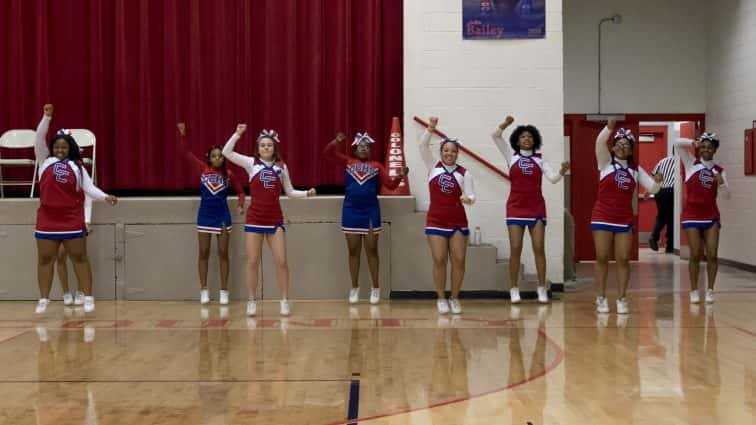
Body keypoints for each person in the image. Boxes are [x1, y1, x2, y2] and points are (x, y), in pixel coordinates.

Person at [222, 124, 316, 316]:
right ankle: (251, 300)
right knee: (253, 261)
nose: (266, 148)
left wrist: (307, 193)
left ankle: (284, 300)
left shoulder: (282, 167)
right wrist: (237, 134)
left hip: (275, 219)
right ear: (258, 148)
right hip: (255, 219)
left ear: (275, 148)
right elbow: (226, 152)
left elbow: (289, 192)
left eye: (269, 145)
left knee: (281, 261)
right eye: (262, 145)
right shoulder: (251, 164)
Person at [33, 104, 117, 314]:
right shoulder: (44, 160)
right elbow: (38, 138)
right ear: (52, 148)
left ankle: (88, 296)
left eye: (64, 147)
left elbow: (89, 188)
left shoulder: (77, 167)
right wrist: (47, 117)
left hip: (71, 217)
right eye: (57, 147)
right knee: (45, 259)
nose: (60, 150)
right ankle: (44, 298)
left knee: (79, 257)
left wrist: (105, 197)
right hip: (47, 217)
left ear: (70, 148)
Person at [323, 131, 407, 305]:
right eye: (361, 146)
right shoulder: (348, 162)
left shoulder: (377, 166)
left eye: (367, 146)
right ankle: (354, 287)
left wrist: (400, 175)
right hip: (351, 211)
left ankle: (375, 288)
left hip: (370, 211)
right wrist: (336, 141)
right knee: (353, 251)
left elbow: (390, 185)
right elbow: (327, 154)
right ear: (355, 149)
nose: (363, 148)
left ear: (370, 150)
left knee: (372, 250)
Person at [492, 116, 569, 303]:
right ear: (517, 140)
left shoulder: (540, 160)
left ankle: (542, 288)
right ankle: (513, 288)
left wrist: (561, 171)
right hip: (515, 207)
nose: (526, 139)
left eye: (529, 137)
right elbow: (495, 136)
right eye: (523, 137)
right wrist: (505, 125)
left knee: (538, 248)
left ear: (534, 140)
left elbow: (552, 179)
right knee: (516, 248)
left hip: (536, 208)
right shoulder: (511, 156)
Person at [591, 118, 661, 314]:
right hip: (602, 216)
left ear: (631, 150)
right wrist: (609, 128)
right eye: (619, 144)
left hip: (624, 219)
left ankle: (622, 298)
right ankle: (601, 298)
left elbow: (653, 188)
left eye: (627, 145)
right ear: (613, 148)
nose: (622, 147)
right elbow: (599, 142)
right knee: (602, 257)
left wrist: (658, 182)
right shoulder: (604, 162)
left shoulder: (635, 170)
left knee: (622, 259)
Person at [177, 122, 245, 305]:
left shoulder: (228, 174)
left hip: (222, 216)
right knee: (203, 252)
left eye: (220, 156)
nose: (217, 159)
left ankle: (224, 290)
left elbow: (241, 191)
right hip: (204, 216)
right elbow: (186, 154)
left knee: (223, 253)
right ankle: (203, 289)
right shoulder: (202, 169)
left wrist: (240, 204)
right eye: (214, 156)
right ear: (209, 158)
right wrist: (183, 135)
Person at [419, 117, 475, 315]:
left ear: (457, 153)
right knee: (440, 259)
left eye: (453, 151)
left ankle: (455, 298)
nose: (449, 153)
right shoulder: (432, 167)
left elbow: (471, 195)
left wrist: (468, 199)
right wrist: (431, 128)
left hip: (458, 221)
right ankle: (441, 298)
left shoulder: (464, 173)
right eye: (446, 150)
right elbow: (423, 145)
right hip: (436, 220)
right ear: (441, 152)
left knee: (459, 260)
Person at [674, 132, 729, 304]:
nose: (706, 149)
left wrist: (721, 183)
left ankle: (711, 290)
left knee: (712, 254)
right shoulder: (691, 162)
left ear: (715, 150)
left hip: (711, 215)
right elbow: (677, 143)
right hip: (692, 215)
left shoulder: (719, 170)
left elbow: (727, 196)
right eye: (703, 146)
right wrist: (693, 142)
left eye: (709, 147)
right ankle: (694, 290)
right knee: (695, 254)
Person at [648, 153, 677, 253]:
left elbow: (653, 176)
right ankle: (659, 239)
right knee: (670, 218)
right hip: (671, 191)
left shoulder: (663, 161)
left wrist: (650, 190)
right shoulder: (679, 162)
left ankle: (665, 243)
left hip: (659, 191)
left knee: (663, 216)